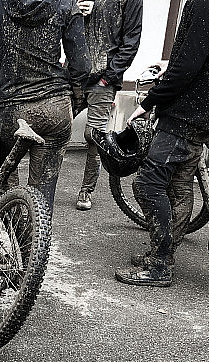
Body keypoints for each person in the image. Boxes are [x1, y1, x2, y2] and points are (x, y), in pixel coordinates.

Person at [118, 0, 209, 287]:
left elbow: (186, 67)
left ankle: (159, 264)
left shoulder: (206, 3)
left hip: (185, 115)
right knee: (179, 187)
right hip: (204, 113)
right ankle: (163, 256)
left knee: (146, 185)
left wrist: (149, 101)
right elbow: (204, 56)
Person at [0, 0, 90, 210]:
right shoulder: (66, 4)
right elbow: (82, 66)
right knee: (43, 192)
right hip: (55, 106)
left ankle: (13, 227)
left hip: (12, 108)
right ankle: (38, 238)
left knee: (5, 182)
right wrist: (70, 98)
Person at [76, 0, 143, 211]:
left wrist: (109, 76)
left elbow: (131, 40)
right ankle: (43, 188)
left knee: (94, 135)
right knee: (55, 128)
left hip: (102, 77)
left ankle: (86, 189)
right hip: (72, 72)